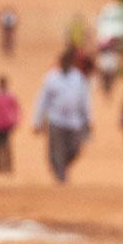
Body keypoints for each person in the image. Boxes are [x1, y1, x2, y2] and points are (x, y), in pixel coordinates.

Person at [33, 49, 91, 184]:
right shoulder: (51, 78)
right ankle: (60, 174)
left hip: (74, 121)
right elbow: (42, 100)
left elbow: (84, 100)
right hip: (56, 119)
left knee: (75, 148)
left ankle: (61, 165)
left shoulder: (78, 78)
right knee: (57, 148)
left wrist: (88, 119)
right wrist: (37, 120)